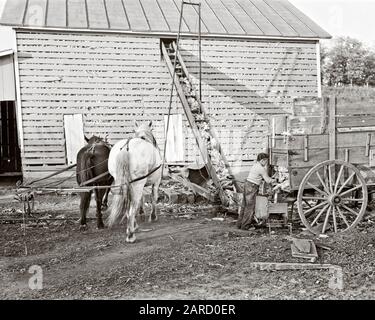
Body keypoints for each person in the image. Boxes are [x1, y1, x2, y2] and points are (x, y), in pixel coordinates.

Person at [237, 153, 275, 230]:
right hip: (252, 187)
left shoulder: (255, 165)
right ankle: (245, 226)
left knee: (244, 206)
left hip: (247, 184)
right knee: (250, 207)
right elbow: (268, 180)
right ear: (262, 160)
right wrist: (275, 180)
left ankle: (240, 224)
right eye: (266, 161)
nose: (266, 163)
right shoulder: (261, 168)